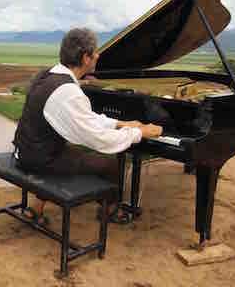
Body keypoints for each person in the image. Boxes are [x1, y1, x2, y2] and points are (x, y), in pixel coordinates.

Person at [12, 27, 163, 224]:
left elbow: (86, 119)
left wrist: (120, 123)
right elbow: (99, 140)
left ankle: (35, 208)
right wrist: (139, 132)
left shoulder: (48, 75)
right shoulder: (68, 91)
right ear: (85, 58)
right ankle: (109, 211)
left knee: (70, 151)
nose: (99, 55)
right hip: (38, 161)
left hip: (25, 150)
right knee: (111, 164)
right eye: (96, 52)